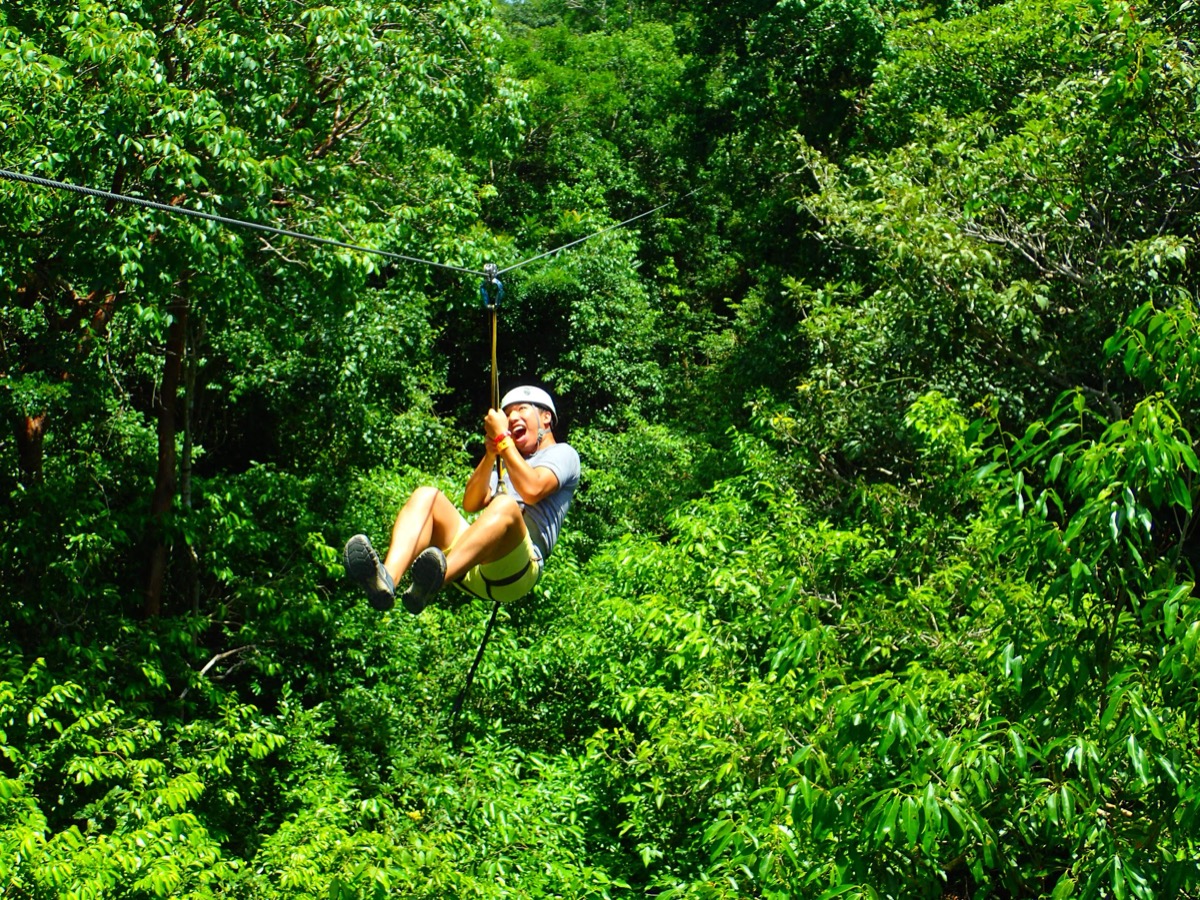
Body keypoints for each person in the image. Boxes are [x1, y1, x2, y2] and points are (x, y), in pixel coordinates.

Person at [344, 385, 580, 614]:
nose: (512, 417)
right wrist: (490, 455)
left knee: (506, 505)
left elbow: (533, 489)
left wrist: (503, 440)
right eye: (507, 414)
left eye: (521, 409)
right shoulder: (508, 463)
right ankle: (387, 580)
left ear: (546, 418)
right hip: (475, 564)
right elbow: (471, 503)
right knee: (427, 496)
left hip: (519, 568)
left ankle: (432, 583)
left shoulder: (563, 454)